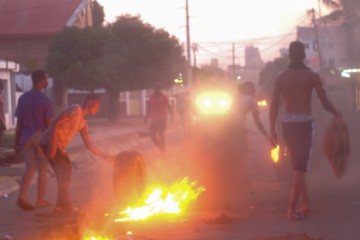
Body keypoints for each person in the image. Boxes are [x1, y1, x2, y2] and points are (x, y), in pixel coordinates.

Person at [269, 41, 341, 221]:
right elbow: (324, 102)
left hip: (288, 125)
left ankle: (305, 203)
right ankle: (291, 211)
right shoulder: (312, 76)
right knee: (300, 167)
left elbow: (274, 106)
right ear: (304, 56)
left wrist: (272, 130)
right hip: (304, 125)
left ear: (290, 56)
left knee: (297, 166)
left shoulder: (280, 77)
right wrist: (336, 112)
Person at [39, 93, 113, 213]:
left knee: (65, 172)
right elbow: (55, 123)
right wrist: (52, 147)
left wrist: (105, 157)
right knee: (64, 172)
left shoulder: (83, 123)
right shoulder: (75, 109)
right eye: (97, 106)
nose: (98, 109)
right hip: (49, 143)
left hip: (59, 147)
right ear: (89, 102)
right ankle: (65, 205)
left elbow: (88, 145)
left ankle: (60, 205)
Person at [14, 70, 54, 211]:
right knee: (43, 168)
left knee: (30, 168)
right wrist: (52, 143)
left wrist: (16, 142)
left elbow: (19, 123)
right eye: (45, 79)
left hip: (25, 138)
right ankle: (40, 200)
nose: (47, 82)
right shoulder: (45, 101)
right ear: (40, 81)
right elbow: (49, 125)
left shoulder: (23, 98)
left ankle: (22, 196)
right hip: (40, 137)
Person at [145, 83, 173, 152]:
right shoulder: (151, 97)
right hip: (154, 119)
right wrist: (146, 116)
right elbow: (149, 107)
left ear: (159, 88)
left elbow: (169, 106)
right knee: (152, 135)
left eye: (157, 88)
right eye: (155, 88)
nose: (156, 89)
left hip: (162, 118)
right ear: (154, 89)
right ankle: (160, 146)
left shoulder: (164, 97)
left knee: (161, 135)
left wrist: (172, 115)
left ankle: (163, 150)